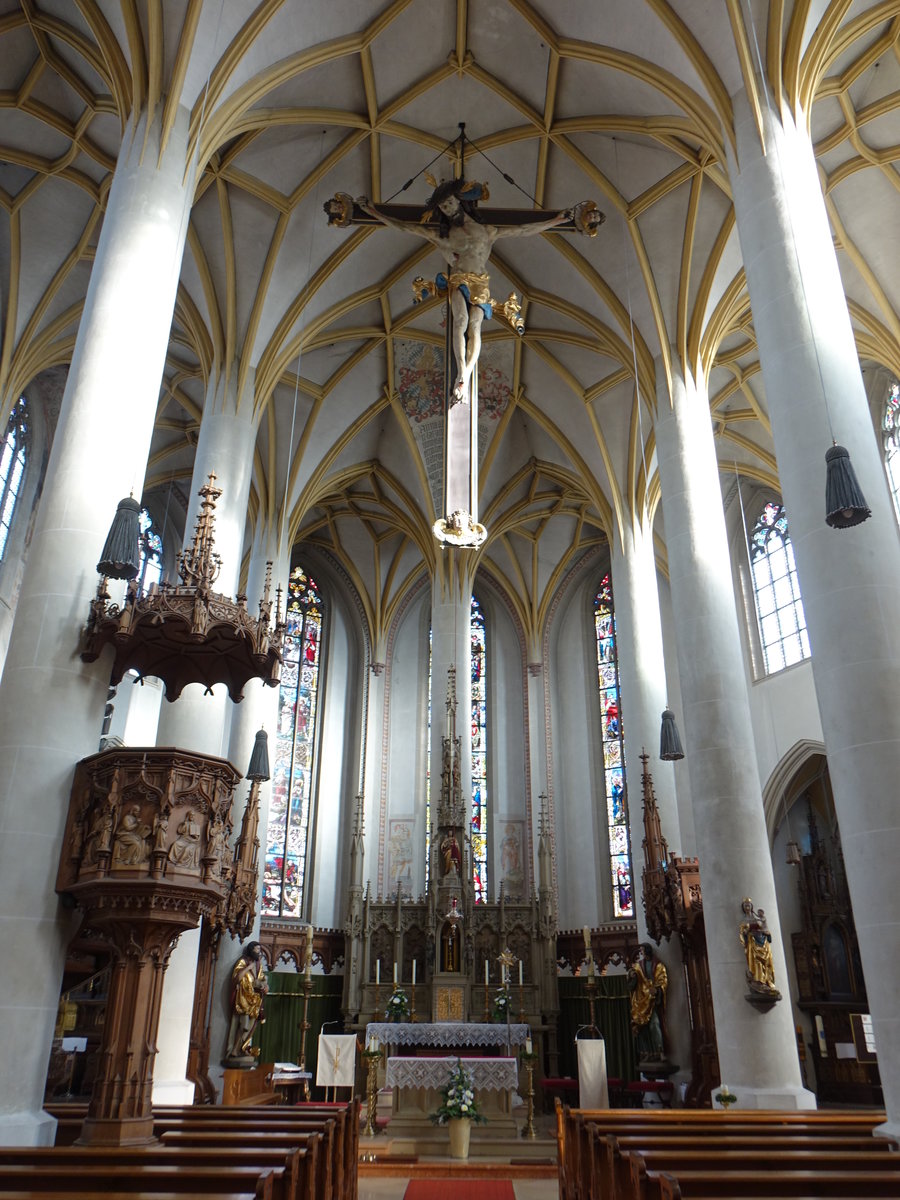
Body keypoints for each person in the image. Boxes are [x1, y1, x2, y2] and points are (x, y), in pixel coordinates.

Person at [356, 180, 579, 402]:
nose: (448, 208)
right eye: (443, 206)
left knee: (475, 327)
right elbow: (406, 227)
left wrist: (556, 220)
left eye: (450, 202)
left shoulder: (487, 231)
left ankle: (468, 372)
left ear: (460, 201)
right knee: (460, 322)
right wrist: (374, 212)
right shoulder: (443, 236)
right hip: (459, 279)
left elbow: (524, 230)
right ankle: (462, 373)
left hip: (480, 283)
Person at [224, 941, 269, 1062]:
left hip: (255, 1000)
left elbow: (263, 978)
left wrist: (265, 986)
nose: (258, 952)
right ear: (251, 950)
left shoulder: (258, 964)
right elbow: (237, 978)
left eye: (259, 950)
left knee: (250, 1027)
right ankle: (233, 1050)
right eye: (256, 950)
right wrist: (248, 968)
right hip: (243, 999)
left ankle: (240, 1049)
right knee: (242, 1026)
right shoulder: (243, 961)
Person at [628, 942, 668, 1062]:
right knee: (641, 1027)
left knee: (654, 1025)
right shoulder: (638, 966)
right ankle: (647, 1053)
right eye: (640, 951)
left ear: (648, 951)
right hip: (641, 1001)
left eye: (642, 951)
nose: (641, 953)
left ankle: (660, 1051)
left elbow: (662, 980)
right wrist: (631, 975)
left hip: (652, 1000)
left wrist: (657, 989)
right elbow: (632, 980)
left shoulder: (659, 965)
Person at [740, 898, 778, 993]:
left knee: (766, 961)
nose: (748, 907)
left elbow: (765, 928)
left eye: (749, 905)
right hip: (752, 942)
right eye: (746, 906)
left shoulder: (757, 918)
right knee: (756, 961)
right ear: (743, 908)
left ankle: (767, 981)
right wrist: (747, 932)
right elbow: (743, 932)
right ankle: (759, 981)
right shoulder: (744, 920)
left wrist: (766, 933)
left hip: (762, 941)